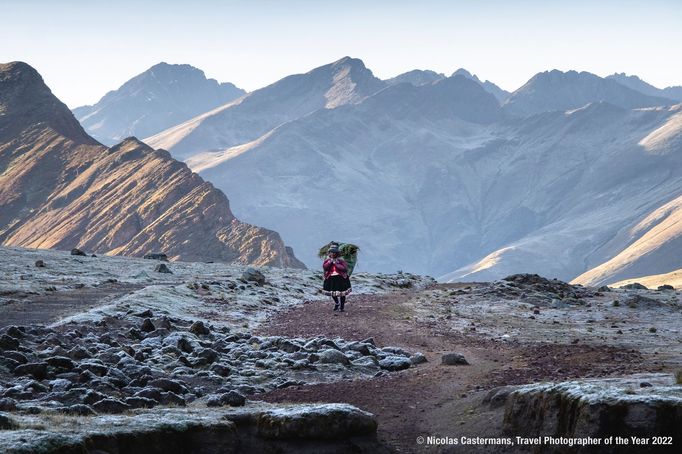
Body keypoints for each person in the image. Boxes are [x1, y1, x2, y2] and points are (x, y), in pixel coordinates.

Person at [322, 244, 352, 312]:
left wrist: (336, 264)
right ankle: (337, 303)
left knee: (342, 293)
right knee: (333, 293)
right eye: (331, 252)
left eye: (334, 253)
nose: (332, 254)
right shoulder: (327, 260)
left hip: (341, 278)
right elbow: (325, 267)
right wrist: (330, 262)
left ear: (337, 253)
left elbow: (344, 269)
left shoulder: (341, 260)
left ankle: (342, 307)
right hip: (331, 278)